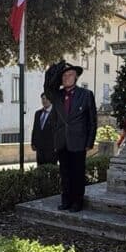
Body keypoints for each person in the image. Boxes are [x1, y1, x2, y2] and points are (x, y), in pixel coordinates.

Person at [43, 61, 96, 212]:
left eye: (70, 74)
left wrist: (90, 141)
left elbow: (92, 120)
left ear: (76, 77)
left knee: (77, 174)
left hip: (79, 141)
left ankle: (77, 202)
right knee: (64, 173)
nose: (66, 77)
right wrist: (54, 69)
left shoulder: (86, 95)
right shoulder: (57, 95)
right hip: (62, 141)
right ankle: (66, 201)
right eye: (64, 75)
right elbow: (47, 88)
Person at [31, 92, 58, 166]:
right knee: (40, 172)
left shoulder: (57, 113)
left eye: (47, 99)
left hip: (51, 150)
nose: (45, 101)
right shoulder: (38, 113)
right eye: (43, 99)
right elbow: (35, 129)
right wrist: (33, 143)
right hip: (40, 150)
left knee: (51, 172)